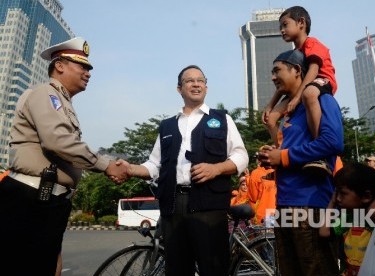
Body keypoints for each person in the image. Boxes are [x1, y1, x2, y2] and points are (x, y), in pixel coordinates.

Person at [0, 37, 127, 276]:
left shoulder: (63, 103)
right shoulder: (46, 94)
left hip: (49, 201)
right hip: (30, 198)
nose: (88, 73)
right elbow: (58, 141)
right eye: (82, 66)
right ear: (59, 66)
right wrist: (106, 165)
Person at [116, 65, 249, 276]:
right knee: (177, 268)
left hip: (210, 207)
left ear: (206, 86)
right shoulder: (167, 126)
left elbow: (241, 156)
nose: (196, 84)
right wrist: (130, 168)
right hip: (173, 206)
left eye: (201, 80)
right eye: (190, 81)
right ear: (179, 88)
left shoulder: (222, 119)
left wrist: (216, 168)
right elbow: (153, 165)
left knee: (214, 267)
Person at [259, 49, 344, 275]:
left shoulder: (321, 100)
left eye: (277, 70)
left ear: (297, 70)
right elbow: (293, 153)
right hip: (284, 205)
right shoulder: (290, 112)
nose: (273, 77)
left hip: (311, 206)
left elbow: (332, 142)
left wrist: (284, 156)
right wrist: (273, 155)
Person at [262, 6, 338, 176]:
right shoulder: (294, 53)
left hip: (322, 80)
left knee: (309, 94)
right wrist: (270, 105)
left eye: (285, 25)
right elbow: (287, 83)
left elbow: (313, 70)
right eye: (280, 27)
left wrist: (297, 97)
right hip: (304, 86)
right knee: (271, 119)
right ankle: (282, 150)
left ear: (301, 23)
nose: (282, 30)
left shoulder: (312, 43)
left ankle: (319, 153)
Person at [319, 162, 375, 275]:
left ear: (366, 196)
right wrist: (331, 204)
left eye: (343, 193)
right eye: (336, 193)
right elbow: (324, 232)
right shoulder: (347, 218)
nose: (338, 198)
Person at [245, 152, 276, 225]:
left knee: (265, 236)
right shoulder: (280, 171)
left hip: (263, 214)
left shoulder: (256, 173)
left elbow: (253, 197)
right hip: (281, 213)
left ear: (259, 160)